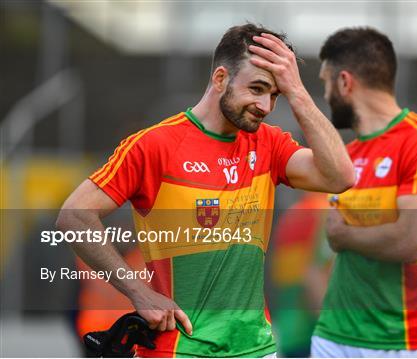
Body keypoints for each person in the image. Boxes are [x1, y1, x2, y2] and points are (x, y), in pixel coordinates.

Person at [56, 23, 354, 358]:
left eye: (274, 94)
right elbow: (74, 216)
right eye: (256, 88)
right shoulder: (154, 145)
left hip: (257, 348)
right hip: (179, 348)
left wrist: (298, 92)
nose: (266, 105)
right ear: (220, 78)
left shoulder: (269, 144)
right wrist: (139, 292)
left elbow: (341, 176)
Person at [311, 27, 417, 358]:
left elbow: (411, 240)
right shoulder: (345, 157)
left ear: (345, 83)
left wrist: (344, 237)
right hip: (332, 335)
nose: (325, 95)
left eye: (325, 83)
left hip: (403, 339)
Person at [269, 192, 333, 357]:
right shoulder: (325, 212)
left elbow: (278, 276)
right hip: (314, 332)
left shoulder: (290, 215)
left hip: (288, 329)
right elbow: (313, 277)